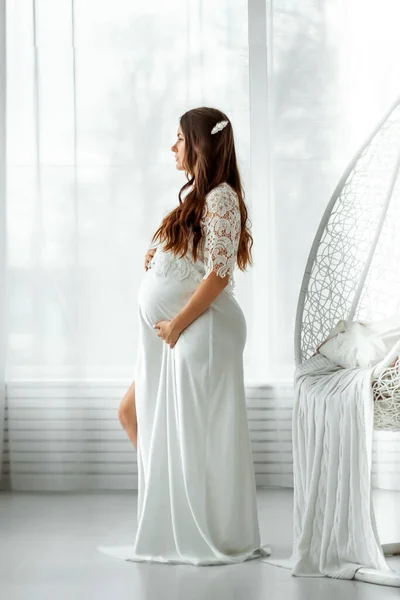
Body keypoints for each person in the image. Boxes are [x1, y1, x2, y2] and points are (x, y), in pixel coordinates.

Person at [98, 107, 270, 566]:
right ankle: (174, 508)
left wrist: (175, 323)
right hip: (178, 330)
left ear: (198, 144)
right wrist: (161, 257)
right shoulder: (200, 198)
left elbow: (217, 274)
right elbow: (197, 260)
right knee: (133, 413)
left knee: (193, 433)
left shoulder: (221, 198)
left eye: (178, 139)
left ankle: (202, 527)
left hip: (202, 329)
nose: (172, 147)